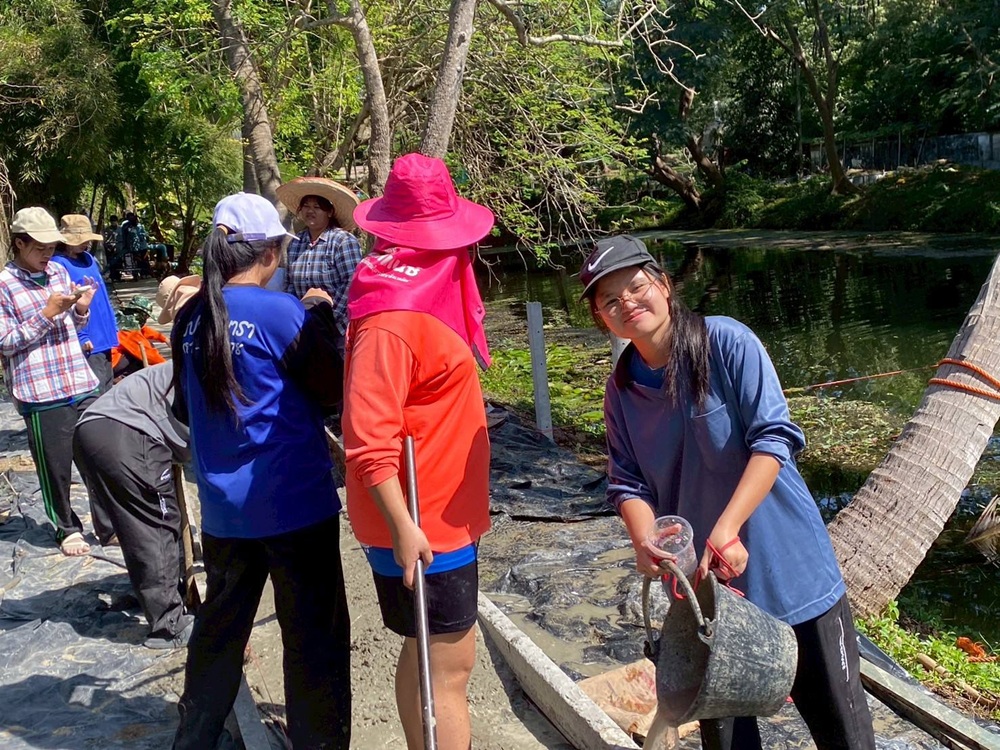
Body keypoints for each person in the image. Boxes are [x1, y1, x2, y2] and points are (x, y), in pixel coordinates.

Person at [578, 235, 876, 750]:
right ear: (601, 317)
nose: (627, 302)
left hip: (790, 571)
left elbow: (774, 438)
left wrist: (728, 526)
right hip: (707, 593)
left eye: (636, 286)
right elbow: (626, 481)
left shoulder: (726, 342)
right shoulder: (621, 390)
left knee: (842, 728)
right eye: (609, 300)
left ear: (664, 285)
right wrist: (646, 539)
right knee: (730, 739)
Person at [170, 192, 350, 749]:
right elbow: (331, 392)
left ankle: (194, 738)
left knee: (218, 634)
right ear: (270, 253)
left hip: (224, 513)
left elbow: (184, 409)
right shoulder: (282, 313)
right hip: (296, 506)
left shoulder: (191, 318)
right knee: (314, 642)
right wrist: (320, 315)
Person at [343, 153, 494, 750]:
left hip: (443, 511)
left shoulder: (427, 288)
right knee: (449, 665)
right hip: (422, 522)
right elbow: (367, 438)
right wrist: (405, 527)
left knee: (427, 650)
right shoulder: (391, 317)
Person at [0, 207, 101, 556]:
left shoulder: (58, 272)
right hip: (41, 389)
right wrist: (47, 314)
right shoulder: (4, 285)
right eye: (40, 247)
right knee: (55, 466)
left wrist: (81, 309)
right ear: (19, 243)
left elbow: (72, 326)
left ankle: (108, 525)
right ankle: (67, 527)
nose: (48, 254)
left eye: (51, 247)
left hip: (78, 379)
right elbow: (5, 343)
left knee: (101, 455)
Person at [73, 359, 194, 648]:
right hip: (128, 433)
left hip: (93, 429)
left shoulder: (196, 359)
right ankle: (170, 627)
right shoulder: (222, 371)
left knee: (139, 528)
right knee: (157, 526)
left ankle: (165, 596)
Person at [276, 176, 361, 356]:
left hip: (337, 329)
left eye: (317, 207)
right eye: (306, 206)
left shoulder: (342, 241)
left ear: (329, 212)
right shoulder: (296, 244)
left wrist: (327, 317)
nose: (310, 211)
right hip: (302, 326)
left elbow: (351, 283)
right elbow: (289, 284)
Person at [53, 214, 119, 393]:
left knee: (108, 387)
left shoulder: (88, 258)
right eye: (81, 240)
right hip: (89, 337)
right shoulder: (58, 264)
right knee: (96, 391)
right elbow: (64, 304)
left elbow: (102, 294)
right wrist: (82, 336)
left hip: (104, 333)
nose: (87, 243)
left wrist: (113, 325)